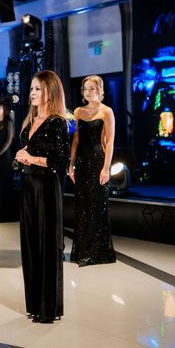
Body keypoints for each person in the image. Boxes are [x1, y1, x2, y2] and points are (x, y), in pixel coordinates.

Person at [15, 70, 70, 324]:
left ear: (50, 91)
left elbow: (61, 161)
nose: (33, 93)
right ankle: (35, 304)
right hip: (28, 185)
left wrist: (32, 158)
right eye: (32, 88)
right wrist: (22, 158)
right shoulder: (29, 121)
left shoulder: (57, 122)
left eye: (38, 88)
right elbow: (28, 152)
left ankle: (48, 308)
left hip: (47, 187)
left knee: (47, 245)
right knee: (30, 244)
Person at [68, 75, 116, 267]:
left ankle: (98, 252)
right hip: (81, 162)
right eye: (85, 89)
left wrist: (106, 168)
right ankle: (82, 250)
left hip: (98, 162)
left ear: (100, 90)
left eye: (92, 88)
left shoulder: (107, 111)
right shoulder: (78, 111)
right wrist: (70, 165)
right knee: (83, 206)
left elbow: (110, 142)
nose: (88, 92)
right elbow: (75, 140)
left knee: (98, 206)